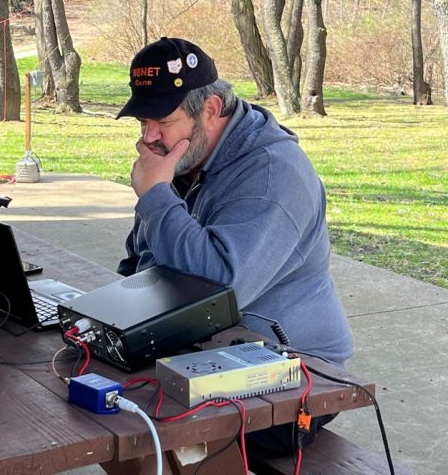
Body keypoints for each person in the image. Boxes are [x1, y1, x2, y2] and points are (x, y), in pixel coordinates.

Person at [115, 36, 353, 459]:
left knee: (139, 427)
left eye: (162, 122)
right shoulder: (188, 159)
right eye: (142, 123)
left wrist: (155, 194)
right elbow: (140, 259)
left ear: (210, 110)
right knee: (90, 390)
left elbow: (218, 288)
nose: (148, 138)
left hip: (293, 375)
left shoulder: (271, 176)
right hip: (206, 347)